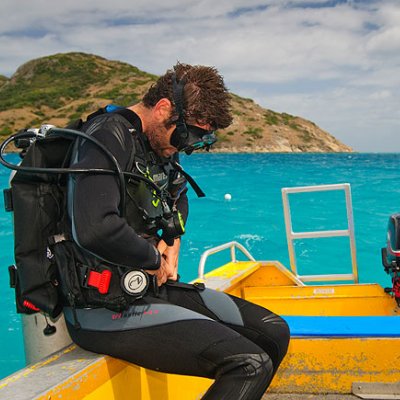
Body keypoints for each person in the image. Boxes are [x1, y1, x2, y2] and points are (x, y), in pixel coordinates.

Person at [57, 62, 290, 400]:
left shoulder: (158, 148)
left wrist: (171, 240)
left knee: (273, 331)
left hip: (149, 289)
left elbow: (178, 197)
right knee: (249, 364)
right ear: (163, 107)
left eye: (198, 140)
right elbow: (95, 229)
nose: (186, 146)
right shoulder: (107, 135)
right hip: (101, 307)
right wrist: (152, 257)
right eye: (187, 135)